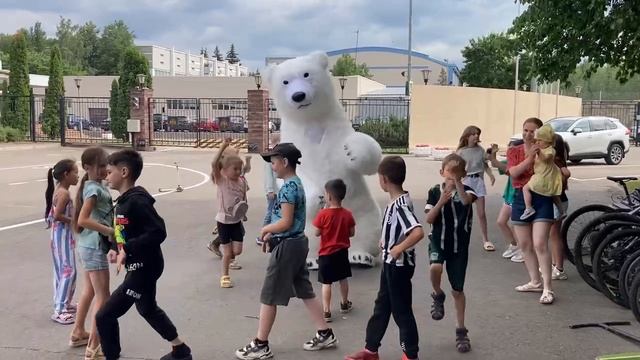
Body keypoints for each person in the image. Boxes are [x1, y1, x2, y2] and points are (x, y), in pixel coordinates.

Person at [236, 143, 337, 360]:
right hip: (297, 243)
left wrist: (266, 229)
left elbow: (286, 221)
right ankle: (325, 332)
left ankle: (261, 344)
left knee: (269, 295)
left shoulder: (289, 188)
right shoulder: (295, 184)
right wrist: (273, 233)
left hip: (288, 246)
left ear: (284, 162)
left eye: (273, 162)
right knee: (304, 290)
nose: (272, 167)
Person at [96, 149, 192, 360]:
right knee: (147, 308)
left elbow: (158, 231)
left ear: (124, 172)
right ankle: (180, 350)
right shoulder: (122, 201)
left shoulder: (137, 201)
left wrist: (128, 249)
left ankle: (111, 356)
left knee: (105, 315)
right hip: (139, 265)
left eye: (110, 171)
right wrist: (114, 248)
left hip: (144, 268)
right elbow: (122, 229)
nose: (106, 176)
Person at [345, 156, 424, 360]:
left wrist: (398, 248)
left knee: (401, 311)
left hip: (398, 266)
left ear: (384, 179)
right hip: (389, 264)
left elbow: (417, 232)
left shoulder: (400, 206)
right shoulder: (395, 202)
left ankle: (410, 354)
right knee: (382, 306)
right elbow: (396, 229)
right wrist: (385, 241)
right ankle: (371, 350)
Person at [425, 154, 477, 353]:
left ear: (463, 175)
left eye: (456, 176)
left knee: (458, 290)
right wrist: (441, 201)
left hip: (459, 247)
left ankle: (461, 330)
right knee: (435, 267)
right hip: (439, 241)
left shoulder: (469, 191)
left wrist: (457, 184)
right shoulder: (434, 191)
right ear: (441, 173)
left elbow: (465, 202)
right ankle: (438, 294)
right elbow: (429, 219)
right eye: (448, 175)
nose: (451, 179)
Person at [507, 117, 556, 304]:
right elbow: (514, 173)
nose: (528, 134)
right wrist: (530, 158)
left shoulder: (548, 150)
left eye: (532, 131)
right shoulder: (515, 150)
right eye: (525, 130)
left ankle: (548, 288)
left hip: (542, 197)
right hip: (521, 196)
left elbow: (555, 170)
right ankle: (535, 281)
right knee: (525, 244)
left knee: (540, 243)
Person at [71, 146, 114, 359]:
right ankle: (93, 347)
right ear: (87, 167)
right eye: (100, 166)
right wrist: (109, 231)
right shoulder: (93, 189)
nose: (104, 169)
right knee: (103, 297)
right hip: (94, 246)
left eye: (106, 165)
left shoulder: (94, 185)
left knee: (90, 290)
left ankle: (78, 332)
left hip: (87, 245)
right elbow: (83, 219)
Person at [312, 179, 356, 323]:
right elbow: (351, 233)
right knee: (343, 278)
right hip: (342, 252)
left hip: (326, 254)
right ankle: (344, 303)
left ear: (329, 197)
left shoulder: (323, 215)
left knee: (327, 283)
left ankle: (326, 311)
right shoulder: (348, 214)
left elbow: (317, 233)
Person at [45, 159, 80, 325]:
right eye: (75, 172)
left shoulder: (60, 189)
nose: (78, 176)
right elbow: (58, 215)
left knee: (63, 270)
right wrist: (74, 221)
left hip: (60, 235)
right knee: (68, 270)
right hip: (62, 236)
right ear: (66, 174)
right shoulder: (64, 193)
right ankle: (59, 310)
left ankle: (64, 303)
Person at [211, 139, 249, 287]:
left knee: (237, 251)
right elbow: (214, 164)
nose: (238, 172)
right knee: (227, 253)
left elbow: (243, 198)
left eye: (240, 169)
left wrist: (244, 212)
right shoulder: (222, 181)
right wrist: (223, 146)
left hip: (236, 221)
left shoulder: (242, 181)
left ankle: (228, 255)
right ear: (225, 170)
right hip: (223, 221)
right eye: (235, 169)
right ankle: (225, 277)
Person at [456, 126, 495, 252]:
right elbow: (456, 167)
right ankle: (459, 238)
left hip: (478, 181)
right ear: (467, 136)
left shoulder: (480, 150)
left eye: (478, 134)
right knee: (463, 212)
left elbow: (485, 164)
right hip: (466, 181)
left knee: (481, 213)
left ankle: (486, 239)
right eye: (473, 134)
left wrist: (491, 175)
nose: (476, 136)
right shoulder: (461, 152)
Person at [488, 142, 524, 263]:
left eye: (512, 150)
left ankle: (522, 249)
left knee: (515, 225)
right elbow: (495, 164)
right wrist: (493, 154)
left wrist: (494, 157)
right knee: (501, 222)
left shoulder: (520, 164)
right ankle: (514, 245)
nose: (510, 152)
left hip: (517, 196)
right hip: (508, 196)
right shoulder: (510, 162)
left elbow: (502, 167)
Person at [520, 125, 564, 220]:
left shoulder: (550, 150)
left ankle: (528, 208)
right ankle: (561, 210)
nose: (538, 142)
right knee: (553, 194)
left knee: (525, 188)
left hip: (544, 176)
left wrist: (539, 152)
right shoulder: (541, 148)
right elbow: (528, 155)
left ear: (548, 141)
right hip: (546, 175)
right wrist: (531, 150)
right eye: (537, 140)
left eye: (540, 140)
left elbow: (545, 159)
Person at [550, 133, 571, 280]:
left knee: (555, 235)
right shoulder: (559, 162)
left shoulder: (555, 163)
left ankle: (559, 267)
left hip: (557, 202)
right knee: (553, 235)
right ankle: (554, 264)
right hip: (560, 201)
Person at [257, 133, 281, 246]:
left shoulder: (276, 155)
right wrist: (270, 190)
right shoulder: (270, 158)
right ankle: (262, 236)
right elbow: (269, 175)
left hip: (277, 190)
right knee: (270, 212)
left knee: (275, 212)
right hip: (273, 191)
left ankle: (270, 233)